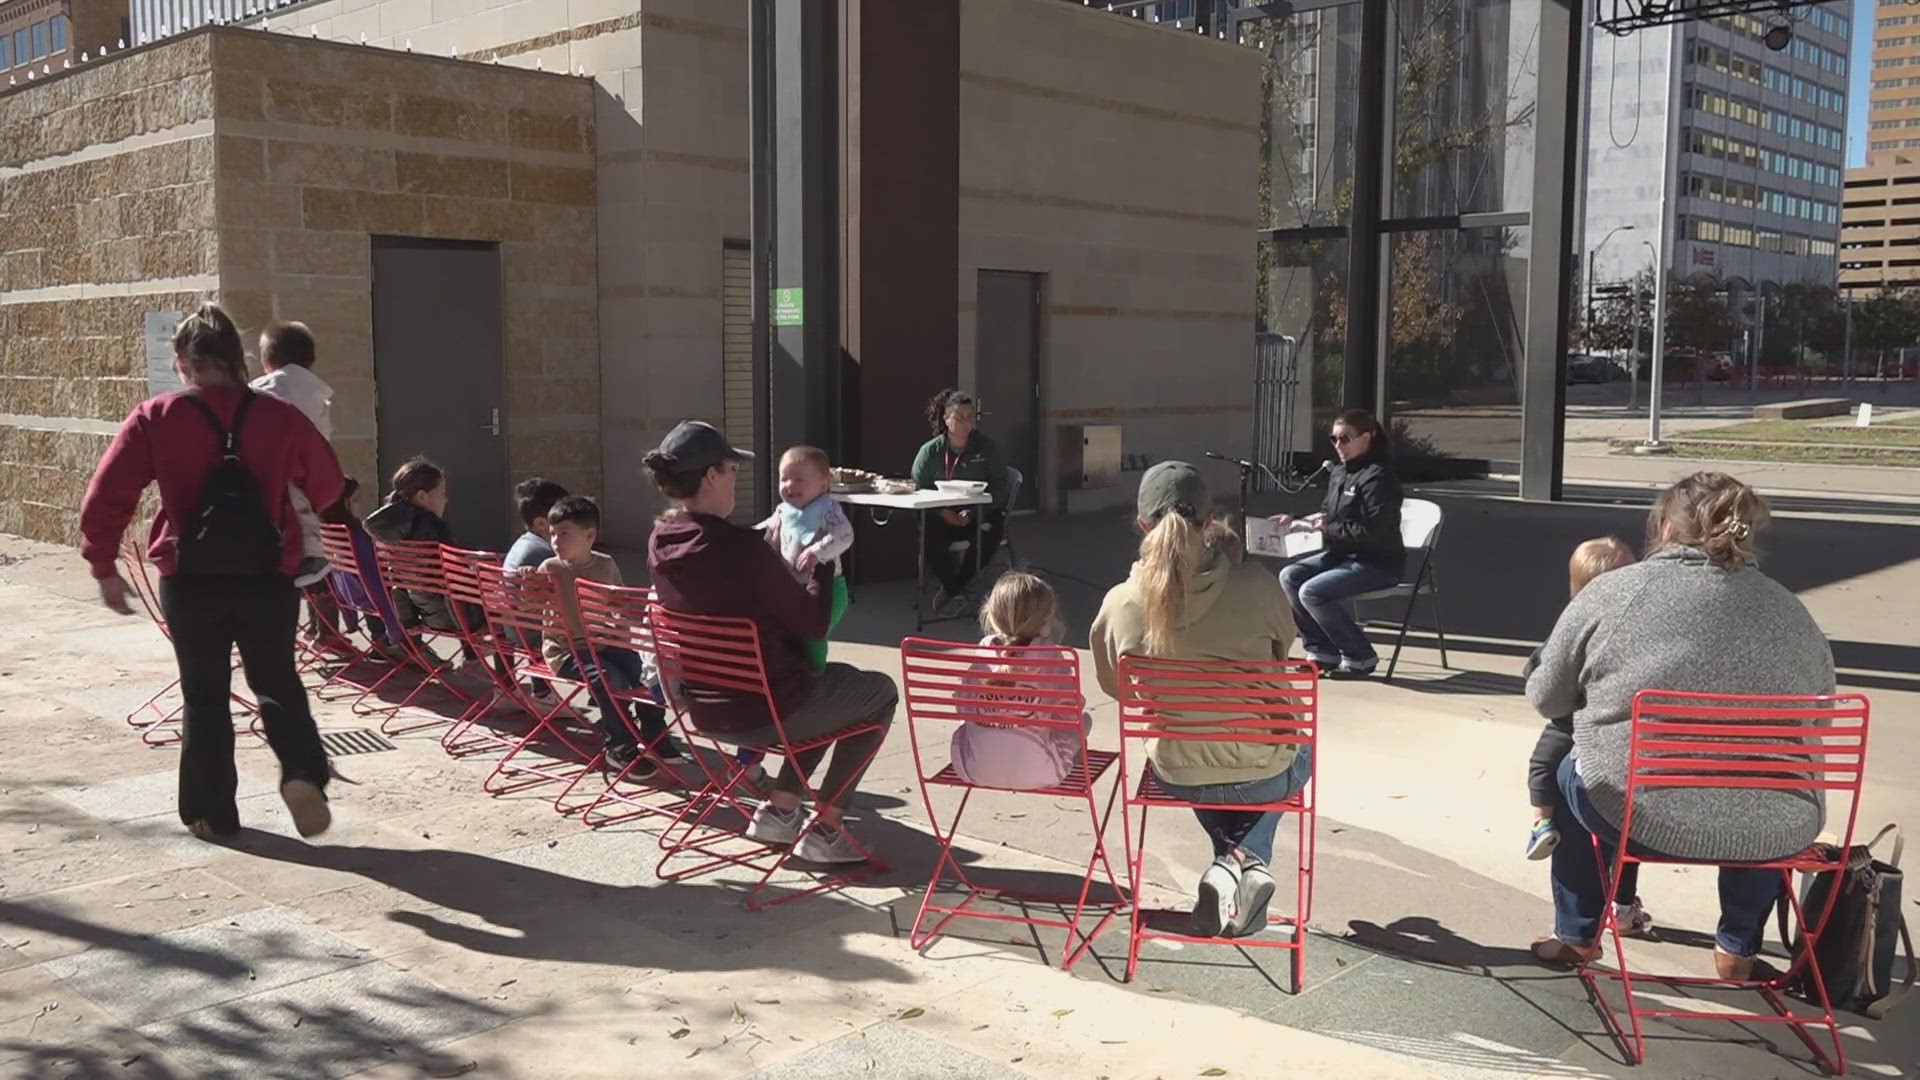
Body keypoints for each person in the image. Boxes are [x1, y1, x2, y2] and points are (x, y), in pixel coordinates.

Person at [1526, 472, 1835, 978]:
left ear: (1666, 529)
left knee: (1564, 765)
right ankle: (1737, 948)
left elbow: (1546, 697)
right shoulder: (1791, 610)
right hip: (1778, 823)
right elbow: (1820, 714)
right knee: (1765, 790)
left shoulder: (1613, 593)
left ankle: (1577, 935)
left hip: (1639, 811)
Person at [79, 304, 345, 840]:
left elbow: (108, 495)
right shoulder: (279, 416)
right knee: (276, 679)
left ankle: (212, 812)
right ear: (236, 360)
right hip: (267, 572)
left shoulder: (156, 416)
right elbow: (328, 486)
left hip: (190, 573)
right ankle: (302, 773)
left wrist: (103, 563)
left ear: (183, 360)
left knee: (204, 693)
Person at [646, 420, 898, 865]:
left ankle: (781, 810)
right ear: (710, 477)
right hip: (765, 708)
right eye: (731, 470)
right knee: (878, 693)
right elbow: (812, 624)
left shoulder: (660, 541)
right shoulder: (743, 548)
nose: (736, 480)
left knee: (835, 683)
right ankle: (828, 827)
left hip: (703, 709)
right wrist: (823, 555)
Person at [1091, 462, 1304, 938]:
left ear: (1142, 525)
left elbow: (1116, 689)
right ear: (1209, 523)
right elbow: (1281, 654)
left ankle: (1229, 868)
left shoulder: (1121, 604)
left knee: (1200, 754)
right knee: (1296, 748)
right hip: (1262, 771)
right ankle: (1241, 861)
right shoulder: (1257, 586)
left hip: (1180, 774)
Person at [1522, 537, 1654, 939]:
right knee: (1626, 827)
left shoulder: (1576, 620)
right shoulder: (1650, 627)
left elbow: (1539, 681)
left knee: (1550, 769)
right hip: (1639, 760)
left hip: (1574, 731)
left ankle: (1543, 825)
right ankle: (1623, 906)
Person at [537, 496, 678, 775]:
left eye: (564, 533)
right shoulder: (550, 569)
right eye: (552, 534)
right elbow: (525, 603)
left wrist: (627, 636)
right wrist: (527, 581)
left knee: (643, 671)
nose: (556, 541)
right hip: (568, 650)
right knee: (607, 677)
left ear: (589, 535)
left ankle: (655, 733)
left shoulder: (605, 565)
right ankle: (619, 745)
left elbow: (619, 605)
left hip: (605, 642)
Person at [1272, 408, 1404, 680]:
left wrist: (1329, 527)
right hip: (1341, 554)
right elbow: (1328, 515)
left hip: (1377, 561)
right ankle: (1322, 652)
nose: (1338, 446)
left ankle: (1360, 657)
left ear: (1366, 437)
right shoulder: (1339, 473)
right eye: (1333, 439)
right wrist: (1298, 520)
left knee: (1312, 591)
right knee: (1290, 576)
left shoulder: (1379, 477)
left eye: (1346, 439)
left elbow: (1374, 531)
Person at [951, 571, 1090, 791]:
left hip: (974, 769)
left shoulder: (983, 654)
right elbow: (1069, 715)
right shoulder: (1050, 656)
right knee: (1084, 720)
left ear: (992, 615)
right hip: (1042, 771)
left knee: (967, 727)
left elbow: (962, 704)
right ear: (1046, 620)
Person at [911, 389, 1011, 616]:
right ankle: (954, 589)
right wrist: (944, 511)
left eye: (970, 417)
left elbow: (1000, 488)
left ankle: (956, 586)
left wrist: (974, 514)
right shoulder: (930, 452)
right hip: (942, 515)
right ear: (946, 420)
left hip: (977, 514)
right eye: (959, 417)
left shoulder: (987, 448)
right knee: (928, 530)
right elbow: (917, 488)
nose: (966, 423)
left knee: (993, 530)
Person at [249, 322, 333, 587]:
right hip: (306, 469)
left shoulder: (258, 390)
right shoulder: (318, 393)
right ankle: (312, 553)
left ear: (266, 359)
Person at [757, 446, 854, 670]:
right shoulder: (784, 511)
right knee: (787, 633)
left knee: (813, 634)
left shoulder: (827, 510)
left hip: (829, 589)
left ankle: (816, 675)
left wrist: (817, 552)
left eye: (799, 480)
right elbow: (765, 531)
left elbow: (845, 534)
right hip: (794, 587)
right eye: (784, 479)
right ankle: (798, 672)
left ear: (822, 484)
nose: (789, 485)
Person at [364, 458, 458, 631]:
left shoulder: (395, 534)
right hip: (454, 616)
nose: (446, 500)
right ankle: (473, 656)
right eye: (442, 492)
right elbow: (456, 572)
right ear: (422, 496)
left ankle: (471, 656)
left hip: (421, 613)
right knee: (504, 612)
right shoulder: (432, 527)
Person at [506, 478, 569, 571]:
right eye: (563, 514)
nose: (571, 519)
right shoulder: (547, 557)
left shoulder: (522, 544)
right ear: (541, 523)